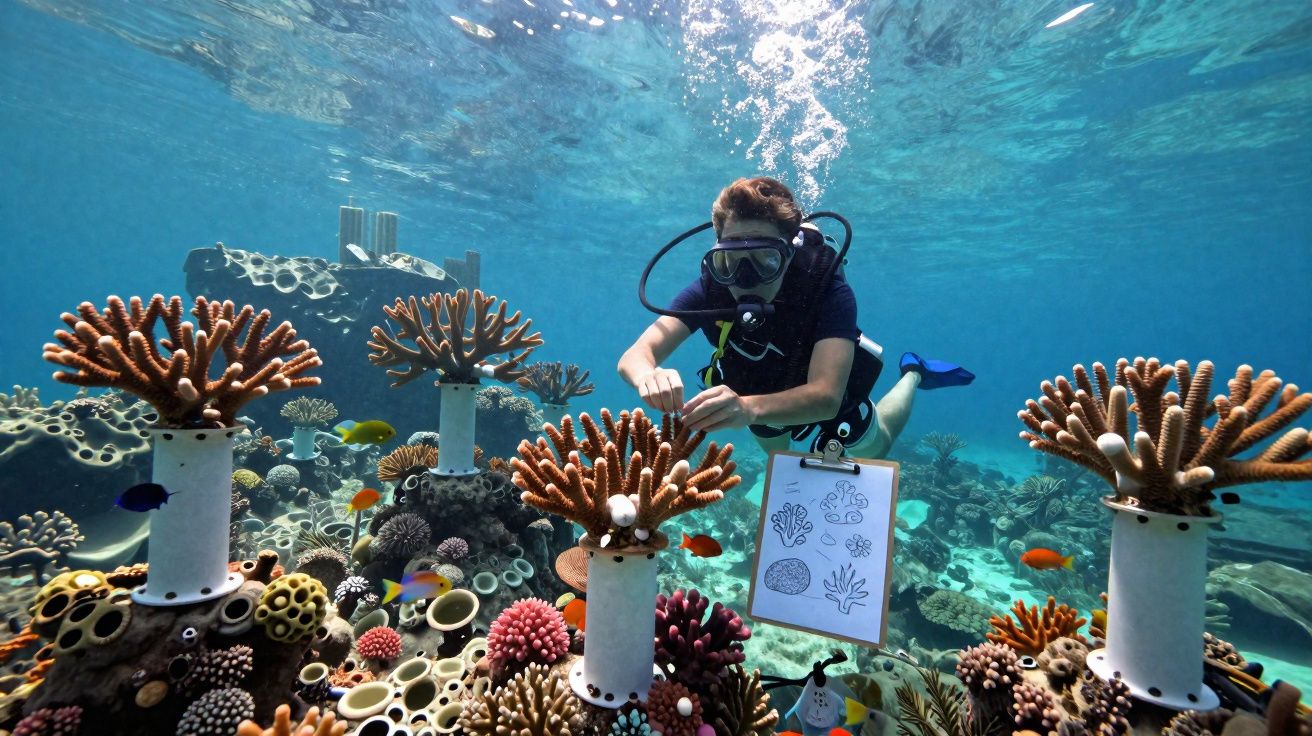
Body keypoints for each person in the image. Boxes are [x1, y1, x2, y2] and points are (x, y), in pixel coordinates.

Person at [618, 176, 973, 458]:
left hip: (809, 389)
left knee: (875, 446)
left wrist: (745, 407)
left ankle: (912, 372)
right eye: (729, 262)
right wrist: (648, 375)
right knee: (779, 463)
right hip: (757, 395)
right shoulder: (711, 289)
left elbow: (826, 397)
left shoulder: (826, 288)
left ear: (788, 255)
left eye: (765, 260)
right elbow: (635, 356)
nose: (745, 278)